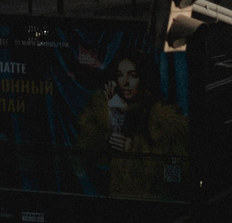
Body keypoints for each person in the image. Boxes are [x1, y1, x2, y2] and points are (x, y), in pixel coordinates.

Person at [75, 48, 189, 200]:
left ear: (144, 77)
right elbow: (86, 155)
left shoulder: (163, 118)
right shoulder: (108, 107)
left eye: (133, 75)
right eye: (120, 75)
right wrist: (108, 114)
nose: (125, 82)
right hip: (117, 198)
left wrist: (136, 148)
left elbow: (179, 171)